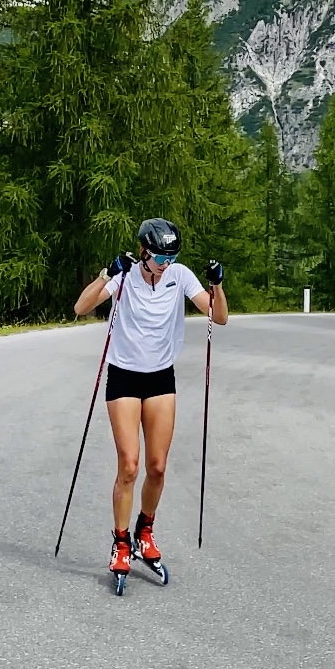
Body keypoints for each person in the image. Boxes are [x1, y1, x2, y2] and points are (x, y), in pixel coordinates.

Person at [74, 218, 227, 579]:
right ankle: (121, 542)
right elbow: (81, 308)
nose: (165, 263)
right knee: (129, 465)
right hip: (124, 377)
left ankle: (145, 531)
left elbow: (218, 317)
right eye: (160, 255)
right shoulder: (125, 274)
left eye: (171, 256)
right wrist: (104, 274)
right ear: (144, 251)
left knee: (157, 467)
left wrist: (217, 285)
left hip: (161, 378)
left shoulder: (180, 276)